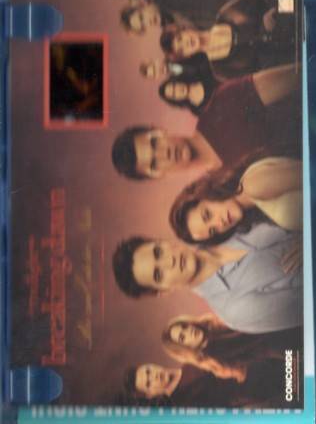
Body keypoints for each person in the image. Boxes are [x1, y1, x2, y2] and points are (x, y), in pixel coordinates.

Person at [111, 64, 301, 180]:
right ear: (156, 175)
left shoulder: (222, 103)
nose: (163, 154)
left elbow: (299, 74)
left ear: (159, 130)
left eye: (154, 143)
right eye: (154, 163)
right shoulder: (218, 191)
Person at [112, 221, 302, 334]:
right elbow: (310, 307)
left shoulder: (216, 221)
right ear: (163, 291)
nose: (169, 262)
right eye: (158, 274)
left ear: (163, 241)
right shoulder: (233, 311)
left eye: (158, 252)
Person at [160, 0, 297, 80]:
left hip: (293, 19)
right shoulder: (220, 71)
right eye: (182, 49)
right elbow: (263, 76)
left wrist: (289, 7)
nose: (186, 43)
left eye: (180, 38)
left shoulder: (226, 13)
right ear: (187, 55)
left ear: (185, 29)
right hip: (293, 57)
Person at [169, 153, 301, 246]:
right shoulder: (254, 207)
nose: (220, 224)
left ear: (205, 194)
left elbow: (310, 172)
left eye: (208, 215)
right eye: (213, 230)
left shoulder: (253, 185)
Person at [161, 313, 300, 382]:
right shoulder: (213, 358)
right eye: (182, 338)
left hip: (278, 326)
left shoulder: (215, 322)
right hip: (278, 355)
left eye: (184, 327)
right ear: (185, 349)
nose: (189, 331)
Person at [123, 361, 289, 408]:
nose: (153, 376)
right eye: (148, 383)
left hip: (259, 362)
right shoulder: (182, 403)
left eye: (148, 371)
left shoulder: (187, 363)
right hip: (260, 391)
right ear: (150, 394)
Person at [139, 53, 217, 88]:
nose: (157, 71)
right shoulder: (174, 84)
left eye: (154, 68)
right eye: (154, 73)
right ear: (156, 77)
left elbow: (202, 55)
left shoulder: (176, 53)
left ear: (156, 61)